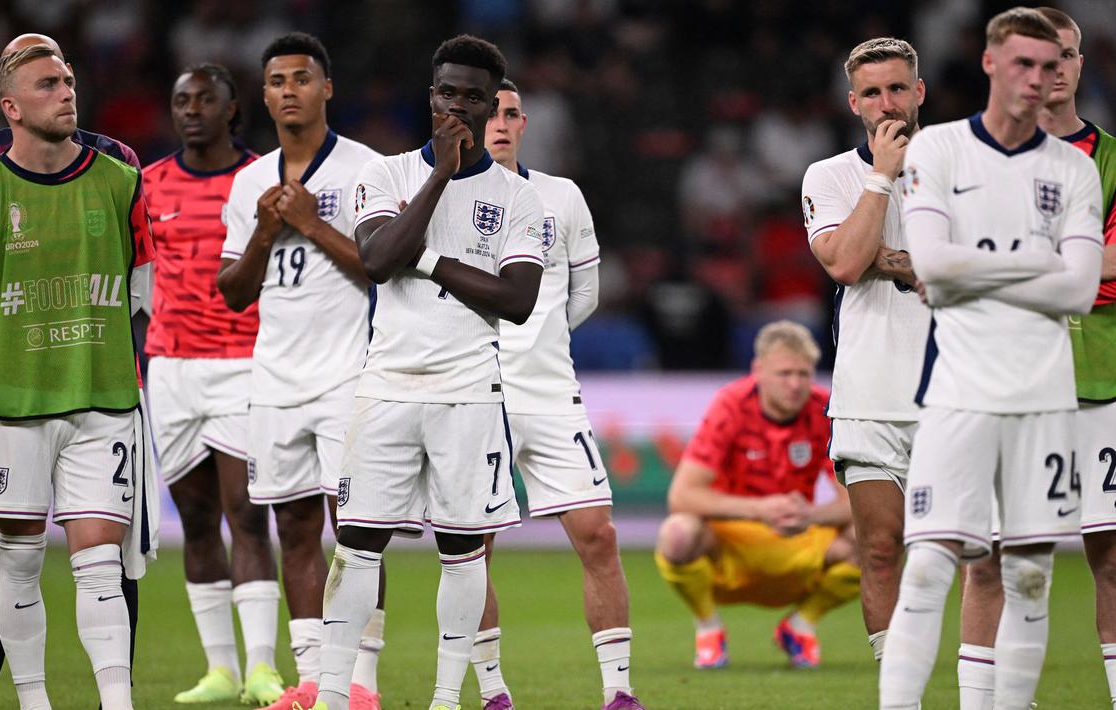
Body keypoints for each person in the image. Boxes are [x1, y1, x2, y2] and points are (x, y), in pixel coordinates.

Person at [878, 8, 1104, 709]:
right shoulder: (938, 150)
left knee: (1030, 576)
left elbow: (1080, 288)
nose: (1037, 79)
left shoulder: (1073, 171)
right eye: (1023, 64)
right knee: (925, 571)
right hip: (958, 394)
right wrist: (1032, 263)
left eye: (1049, 65)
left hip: (1044, 397)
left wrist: (978, 267)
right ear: (989, 63)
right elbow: (933, 270)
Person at [315, 34, 545, 710]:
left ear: (490, 106)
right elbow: (378, 260)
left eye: (474, 98)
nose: (458, 106)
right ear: (431, 95)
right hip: (384, 384)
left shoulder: (518, 198)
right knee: (355, 544)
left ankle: (447, 700)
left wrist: (435, 263)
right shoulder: (382, 175)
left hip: (468, 391)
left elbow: (520, 300)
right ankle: (332, 695)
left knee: (461, 549)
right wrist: (439, 174)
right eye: (447, 92)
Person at [0, 43, 158, 710]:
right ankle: (14, 699)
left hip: (104, 395)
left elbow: (138, 295)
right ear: (10, 105)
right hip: (12, 397)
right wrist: (24, 348)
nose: (67, 92)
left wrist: (81, 341)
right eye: (46, 84)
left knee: (103, 563)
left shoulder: (120, 171)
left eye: (67, 79)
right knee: (11, 557)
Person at [956, 8, 1116, 710]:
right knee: (991, 561)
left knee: (1114, 558)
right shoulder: (974, 159)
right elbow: (959, 270)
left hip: (1095, 384)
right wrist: (1072, 264)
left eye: (1065, 56)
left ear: (1078, 64)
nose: (1052, 70)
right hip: (1005, 386)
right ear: (1009, 67)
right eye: (1038, 58)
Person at [216, 32, 383, 710]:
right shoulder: (250, 182)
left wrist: (312, 225)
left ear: (326, 88)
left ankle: (363, 683)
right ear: (264, 95)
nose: (289, 90)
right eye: (277, 81)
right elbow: (231, 291)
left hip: (347, 376)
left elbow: (382, 268)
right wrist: (263, 232)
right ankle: (316, 681)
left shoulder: (369, 169)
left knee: (357, 531)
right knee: (294, 530)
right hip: (275, 382)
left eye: (302, 78)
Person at [473, 78, 644, 710]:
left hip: (548, 393)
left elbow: (585, 292)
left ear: (525, 125)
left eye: (512, 113)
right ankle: (493, 692)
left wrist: (542, 342)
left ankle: (619, 692)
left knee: (598, 534)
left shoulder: (561, 196)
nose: (501, 121)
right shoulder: (444, 198)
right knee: (472, 550)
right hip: (475, 394)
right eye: (490, 112)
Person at [141, 63, 280, 705]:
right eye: (180, 100)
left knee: (246, 514)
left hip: (245, 362)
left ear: (231, 110)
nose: (190, 109)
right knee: (196, 520)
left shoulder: (261, 178)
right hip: (170, 369)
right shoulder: (147, 186)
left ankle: (261, 667)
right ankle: (220, 670)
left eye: (205, 99)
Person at [801, 37, 926, 669]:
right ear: (854, 102)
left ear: (919, 91)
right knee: (880, 548)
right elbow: (847, 263)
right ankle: (898, 685)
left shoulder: (964, 169)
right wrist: (881, 176)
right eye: (872, 92)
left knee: (981, 551)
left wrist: (888, 259)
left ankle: (996, 687)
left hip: (955, 391)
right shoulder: (829, 176)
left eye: (897, 88)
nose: (886, 103)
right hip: (870, 393)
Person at [655, 321, 861, 671]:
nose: (795, 384)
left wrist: (809, 515)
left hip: (798, 538)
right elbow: (682, 496)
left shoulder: (826, 410)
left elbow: (857, 501)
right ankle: (708, 628)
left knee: (877, 535)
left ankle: (801, 625)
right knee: (677, 533)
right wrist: (759, 509)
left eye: (803, 374)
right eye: (784, 374)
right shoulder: (731, 406)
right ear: (758, 370)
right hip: (731, 545)